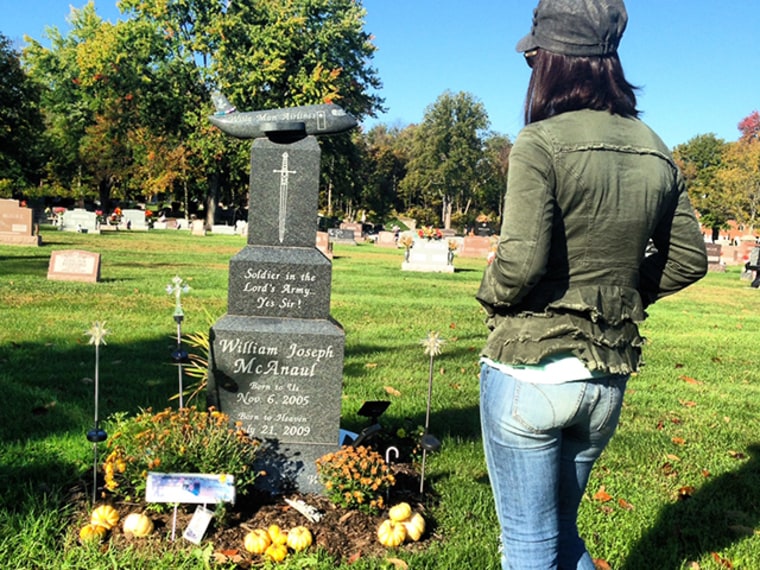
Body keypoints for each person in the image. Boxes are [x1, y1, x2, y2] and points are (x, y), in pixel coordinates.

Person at [475, 1, 708, 568]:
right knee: (565, 537)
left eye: (533, 56)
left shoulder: (539, 142)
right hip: (605, 382)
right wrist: (624, 293)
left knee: (530, 546)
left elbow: (520, 265)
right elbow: (689, 260)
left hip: (529, 372)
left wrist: (488, 292)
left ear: (551, 61)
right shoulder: (656, 147)